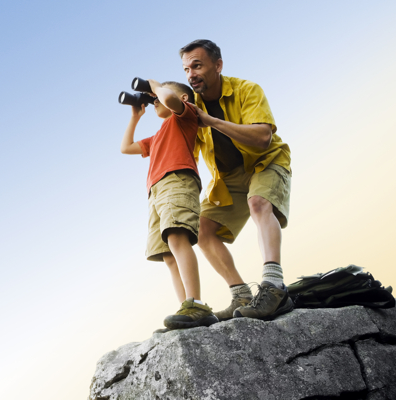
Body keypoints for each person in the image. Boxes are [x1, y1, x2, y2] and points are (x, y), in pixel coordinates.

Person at [179, 39, 294, 321]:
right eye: (185, 69)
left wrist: (213, 121)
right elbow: (168, 97)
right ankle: (241, 294)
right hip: (228, 177)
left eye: (197, 65)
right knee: (202, 230)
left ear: (218, 65)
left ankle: (274, 287)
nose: (191, 74)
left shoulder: (247, 89)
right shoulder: (191, 104)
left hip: (265, 162)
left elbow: (262, 137)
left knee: (258, 204)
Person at [120, 79, 218, 331]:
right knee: (167, 254)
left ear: (183, 99)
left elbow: (171, 100)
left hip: (178, 180)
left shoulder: (184, 118)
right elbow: (126, 148)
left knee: (176, 237)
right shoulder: (158, 135)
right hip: (155, 191)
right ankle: (187, 309)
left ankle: (197, 303)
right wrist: (136, 115)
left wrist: (154, 85)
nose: (155, 100)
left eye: (158, 96)